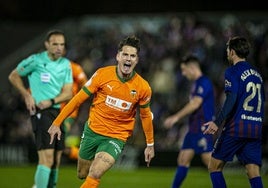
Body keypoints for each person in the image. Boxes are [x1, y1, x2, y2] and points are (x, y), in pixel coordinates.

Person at [48, 35, 155, 188]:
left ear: (137, 60)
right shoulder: (102, 75)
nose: (129, 59)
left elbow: (145, 116)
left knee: (95, 173)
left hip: (117, 136)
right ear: (118, 56)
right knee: (82, 174)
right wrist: (57, 122)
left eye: (133, 56)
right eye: (125, 54)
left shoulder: (143, 87)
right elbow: (78, 99)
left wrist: (150, 144)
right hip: (92, 131)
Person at [8, 29, 73, 188]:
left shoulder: (65, 64)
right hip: (41, 112)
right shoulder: (36, 60)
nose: (59, 48)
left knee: (56, 160)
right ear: (46, 45)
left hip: (58, 113)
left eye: (62, 45)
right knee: (47, 158)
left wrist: (52, 100)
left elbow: (68, 93)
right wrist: (26, 94)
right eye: (55, 44)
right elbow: (13, 76)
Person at [203, 36, 265, 188]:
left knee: (214, 166)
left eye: (227, 50)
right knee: (253, 171)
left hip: (236, 127)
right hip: (255, 128)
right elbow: (263, 101)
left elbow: (231, 99)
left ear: (232, 52)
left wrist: (217, 122)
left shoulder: (232, 71)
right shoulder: (257, 74)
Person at [163, 55, 215, 188]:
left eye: (184, 70)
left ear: (192, 68)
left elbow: (195, 104)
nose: (183, 73)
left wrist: (176, 117)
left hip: (203, 127)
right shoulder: (196, 84)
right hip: (193, 128)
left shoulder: (204, 82)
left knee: (210, 162)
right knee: (182, 159)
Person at [62, 61, 88, 160]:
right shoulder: (47, 67)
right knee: (57, 144)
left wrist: (77, 98)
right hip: (53, 110)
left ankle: (86, 159)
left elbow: (85, 84)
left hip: (68, 112)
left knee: (59, 143)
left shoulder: (74, 67)